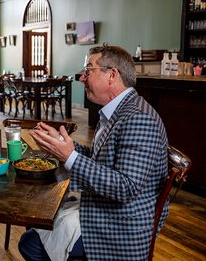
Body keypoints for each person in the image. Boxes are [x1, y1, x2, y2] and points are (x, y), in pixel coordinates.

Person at [19, 45, 169, 260]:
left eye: (88, 70)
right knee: (35, 218)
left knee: (31, 243)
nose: (82, 77)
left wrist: (69, 157)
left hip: (122, 227)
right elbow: (102, 160)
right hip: (107, 210)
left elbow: (126, 188)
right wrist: (62, 143)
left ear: (112, 75)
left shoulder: (138, 118)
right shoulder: (119, 110)